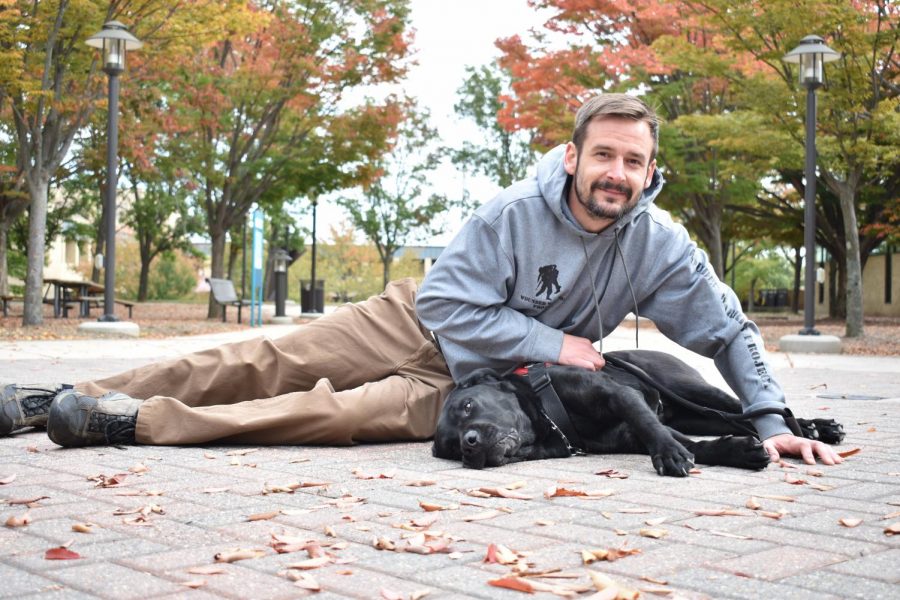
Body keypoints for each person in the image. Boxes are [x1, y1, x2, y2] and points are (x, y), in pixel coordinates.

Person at [0, 94, 839, 467]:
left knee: (329, 416)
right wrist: (556, 343)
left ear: (651, 171)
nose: (617, 172)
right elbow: (444, 298)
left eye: (635, 160)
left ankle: (127, 422)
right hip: (419, 325)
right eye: (605, 154)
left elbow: (726, 329)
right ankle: (59, 395)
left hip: (489, 387)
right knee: (264, 359)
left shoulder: (659, 244)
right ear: (574, 155)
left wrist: (768, 421)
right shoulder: (514, 212)